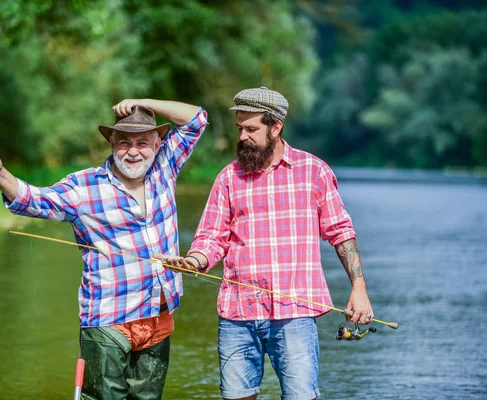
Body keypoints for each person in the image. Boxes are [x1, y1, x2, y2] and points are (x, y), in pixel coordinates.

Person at [0, 99, 209, 400]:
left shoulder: (164, 167)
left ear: (157, 143)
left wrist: (142, 102)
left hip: (158, 315)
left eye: (143, 142)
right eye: (124, 142)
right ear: (112, 142)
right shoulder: (85, 186)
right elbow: (34, 201)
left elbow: (196, 120)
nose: (134, 151)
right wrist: (0, 174)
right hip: (108, 320)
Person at [157, 87, 374, 400]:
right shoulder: (228, 178)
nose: (243, 136)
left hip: (295, 314)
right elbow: (211, 238)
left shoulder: (314, 171)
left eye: (251, 129)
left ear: (276, 127)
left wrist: (359, 288)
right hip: (237, 314)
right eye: (240, 129)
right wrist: (193, 262)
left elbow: (340, 233)